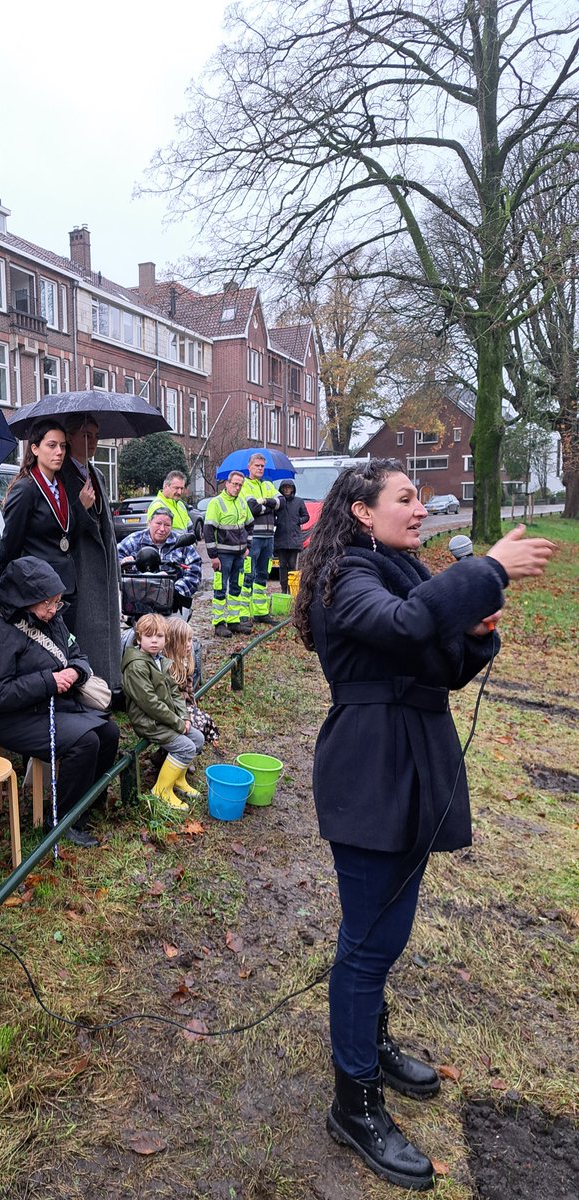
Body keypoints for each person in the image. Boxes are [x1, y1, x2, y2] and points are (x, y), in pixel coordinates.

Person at [294, 458, 555, 1191]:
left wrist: (473, 631)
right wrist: (489, 569)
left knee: (385, 934)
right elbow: (408, 625)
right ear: (361, 513)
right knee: (369, 944)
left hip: (413, 763)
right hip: (371, 768)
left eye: (421, 497)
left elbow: (439, 658)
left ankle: (369, 1049)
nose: (420, 509)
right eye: (406, 499)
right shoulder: (349, 577)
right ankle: (354, 1102)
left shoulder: (400, 568)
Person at [0, 557, 120, 848]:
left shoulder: (53, 619)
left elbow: (76, 653)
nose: (53, 610)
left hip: (47, 706)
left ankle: (86, 803)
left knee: (109, 733)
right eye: (47, 603)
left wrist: (75, 672)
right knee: (85, 742)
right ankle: (61, 819)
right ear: (24, 599)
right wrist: (49, 682)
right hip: (9, 717)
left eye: (57, 602)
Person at [59, 414, 122, 691]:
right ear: (70, 438)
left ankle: (109, 682)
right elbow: (59, 528)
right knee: (86, 630)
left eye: (96, 435)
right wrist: (81, 507)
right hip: (81, 568)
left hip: (103, 567)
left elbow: (106, 522)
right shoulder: (61, 476)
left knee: (105, 626)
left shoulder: (96, 473)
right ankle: (91, 687)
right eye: (86, 435)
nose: (93, 442)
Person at [0, 420, 77, 629]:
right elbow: (10, 544)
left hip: (65, 588)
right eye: (51, 445)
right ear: (34, 449)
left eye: (63, 446)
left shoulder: (61, 486)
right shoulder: (26, 489)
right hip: (39, 594)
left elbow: (64, 532)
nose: (59, 452)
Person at [121, 612, 204, 811]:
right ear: (139, 637)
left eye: (159, 637)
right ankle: (161, 790)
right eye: (149, 636)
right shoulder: (137, 666)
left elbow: (175, 691)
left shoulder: (159, 659)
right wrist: (176, 722)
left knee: (197, 739)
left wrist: (183, 716)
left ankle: (177, 779)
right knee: (185, 747)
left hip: (165, 717)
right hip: (147, 721)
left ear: (166, 639)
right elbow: (150, 703)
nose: (154, 641)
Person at [117, 507, 203, 617]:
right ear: (149, 523)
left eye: (167, 525)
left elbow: (194, 571)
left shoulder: (181, 544)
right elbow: (113, 559)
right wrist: (123, 563)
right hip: (137, 603)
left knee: (178, 629)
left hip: (172, 604)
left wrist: (172, 592)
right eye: (158, 523)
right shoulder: (134, 540)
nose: (162, 529)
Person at [203, 470, 254, 637]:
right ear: (227, 484)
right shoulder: (216, 503)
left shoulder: (241, 502)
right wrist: (213, 556)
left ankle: (233, 621)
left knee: (236, 588)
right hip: (223, 555)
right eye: (235, 484)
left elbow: (250, 524)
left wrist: (248, 546)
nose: (237, 487)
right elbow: (209, 530)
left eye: (240, 485)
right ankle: (219, 623)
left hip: (240, 555)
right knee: (220, 589)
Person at [239, 453, 281, 624]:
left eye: (262, 466)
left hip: (269, 536)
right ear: (249, 467)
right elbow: (252, 508)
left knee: (263, 575)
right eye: (257, 465)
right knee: (248, 574)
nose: (260, 468)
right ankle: (243, 613)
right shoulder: (245, 485)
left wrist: (264, 501)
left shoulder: (268, 485)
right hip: (253, 536)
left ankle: (261, 611)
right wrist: (269, 506)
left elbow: (281, 503)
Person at [163, 616, 219, 747]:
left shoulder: (186, 661)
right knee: (199, 724)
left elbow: (189, 689)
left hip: (184, 704)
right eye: (184, 641)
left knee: (206, 722)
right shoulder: (167, 666)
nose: (189, 645)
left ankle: (187, 752)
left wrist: (193, 706)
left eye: (190, 640)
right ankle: (174, 754)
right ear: (173, 643)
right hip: (173, 707)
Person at [273, 478, 308, 593]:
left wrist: (298, 521)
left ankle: (292, 590)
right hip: (281, 538)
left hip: (294, 538)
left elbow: (306, 516)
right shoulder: (279, 502)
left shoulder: (299, 501)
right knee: (282, 565)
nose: (287, 489)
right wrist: (276, 522)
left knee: (292, 565)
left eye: (289, 487)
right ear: (281, 489)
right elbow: (273, 516)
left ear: (293, 489)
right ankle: (283, 590)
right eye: (285, 487)